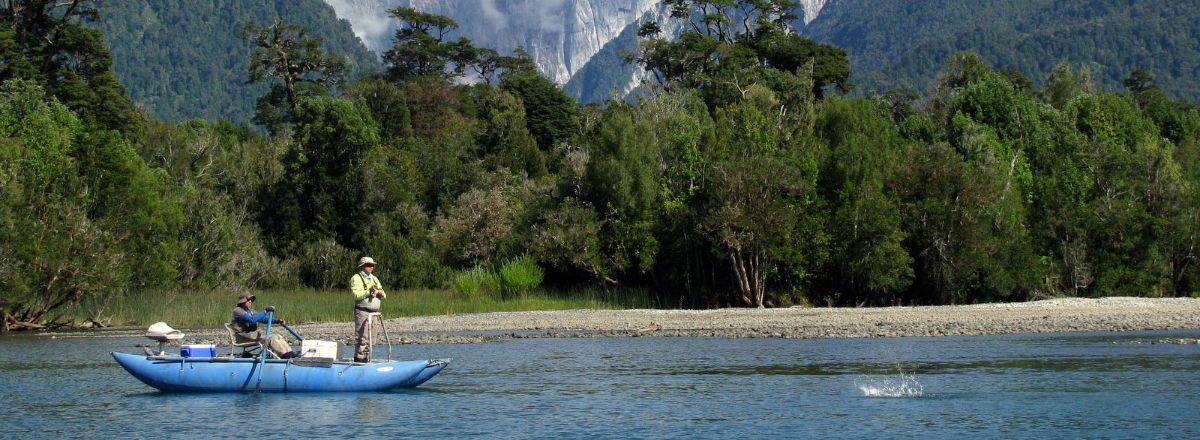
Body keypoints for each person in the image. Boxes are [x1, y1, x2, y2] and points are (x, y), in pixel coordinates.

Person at [230, 291, 299, 359]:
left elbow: (263, 319)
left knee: (277, 336)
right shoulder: (238, 311)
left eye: (251, 300)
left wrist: (277, 321)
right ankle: (285, 356)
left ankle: (290, 354)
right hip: (243, 338)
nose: (250, 301)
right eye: (248, 300)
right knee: (272, 339)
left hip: (251, 336)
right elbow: (252, 320)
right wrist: (265, 311)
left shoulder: (250, 311)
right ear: (243, 301)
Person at [350, 256, 385, 363]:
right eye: (369, 265)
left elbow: (383, 293)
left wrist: (379, 292)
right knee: (362, 339)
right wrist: (369, 292)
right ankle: (360, 361)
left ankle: (368, 360)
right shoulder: (356, 278)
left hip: (374, 313)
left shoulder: (374, 278)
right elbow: (356, 295)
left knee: (372, 339)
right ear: (362, 266)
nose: (371, 267)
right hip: (362, 312)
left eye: (372, 265)